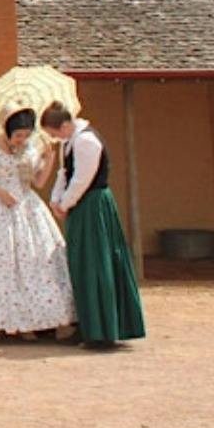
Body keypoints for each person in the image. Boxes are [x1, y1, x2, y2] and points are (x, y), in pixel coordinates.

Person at [0, 103, 75, 336]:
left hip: (27, 208)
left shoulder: (28, 150)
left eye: (26, 135)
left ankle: (42, 321)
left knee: (37, 261)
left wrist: (49, 158)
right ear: (6, 130)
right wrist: (0, 193)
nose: (22, 140)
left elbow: (38, 182)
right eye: (18, 135)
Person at [41, 102, 146, 346]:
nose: (54, 138)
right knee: (81, 264)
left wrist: (65, 203)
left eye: (55, 132)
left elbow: (82, 180)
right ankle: (88, 325)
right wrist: (56, 200)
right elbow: (64, 174)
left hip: (93, 205)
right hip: (80, 205)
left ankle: (102, 330)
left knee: (96, 263)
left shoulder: (86, 141)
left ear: (65, 125)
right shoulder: (68, 142)